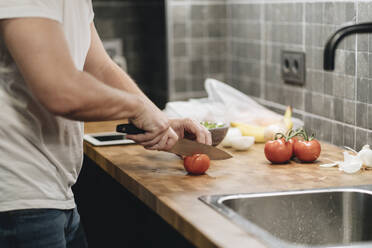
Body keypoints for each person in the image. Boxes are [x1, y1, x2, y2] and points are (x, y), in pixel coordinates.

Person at [0, 1, 211, 247]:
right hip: (18, 198)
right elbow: (60, 90)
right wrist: (137, 108)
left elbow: (99, 66)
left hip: (54, 194)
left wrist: (158, 119)